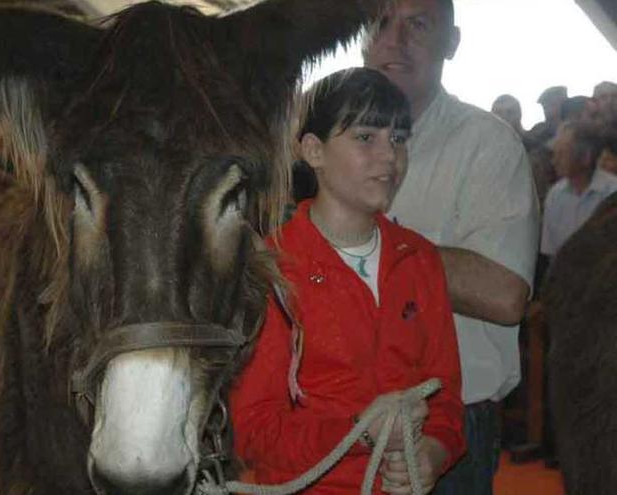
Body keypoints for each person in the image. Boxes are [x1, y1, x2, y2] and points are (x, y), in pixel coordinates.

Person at [230, 68, 464, 495]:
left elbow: (445, 398)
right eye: (365, 138)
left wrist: (432, 453)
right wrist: (361, 433)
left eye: (397, 139)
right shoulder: (271, 267)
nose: (390, 157)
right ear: (313, 151)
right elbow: (253, 434)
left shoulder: (420, 259)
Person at [363, 1, 539, 493]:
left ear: (453, 43)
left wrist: (360, 241)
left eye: (417, 24)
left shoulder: (486, 144)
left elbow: (504, 295)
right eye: (379, 23)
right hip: (337, 416)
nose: (393, 40)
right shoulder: (314, 142)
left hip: (447, 429)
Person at [541, 122, 617, 259]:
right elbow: (551, 254)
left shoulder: (612, 192)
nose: (554, 161)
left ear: (586, 157)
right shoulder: (555, 194)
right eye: (554, 153)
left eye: (562, 154)